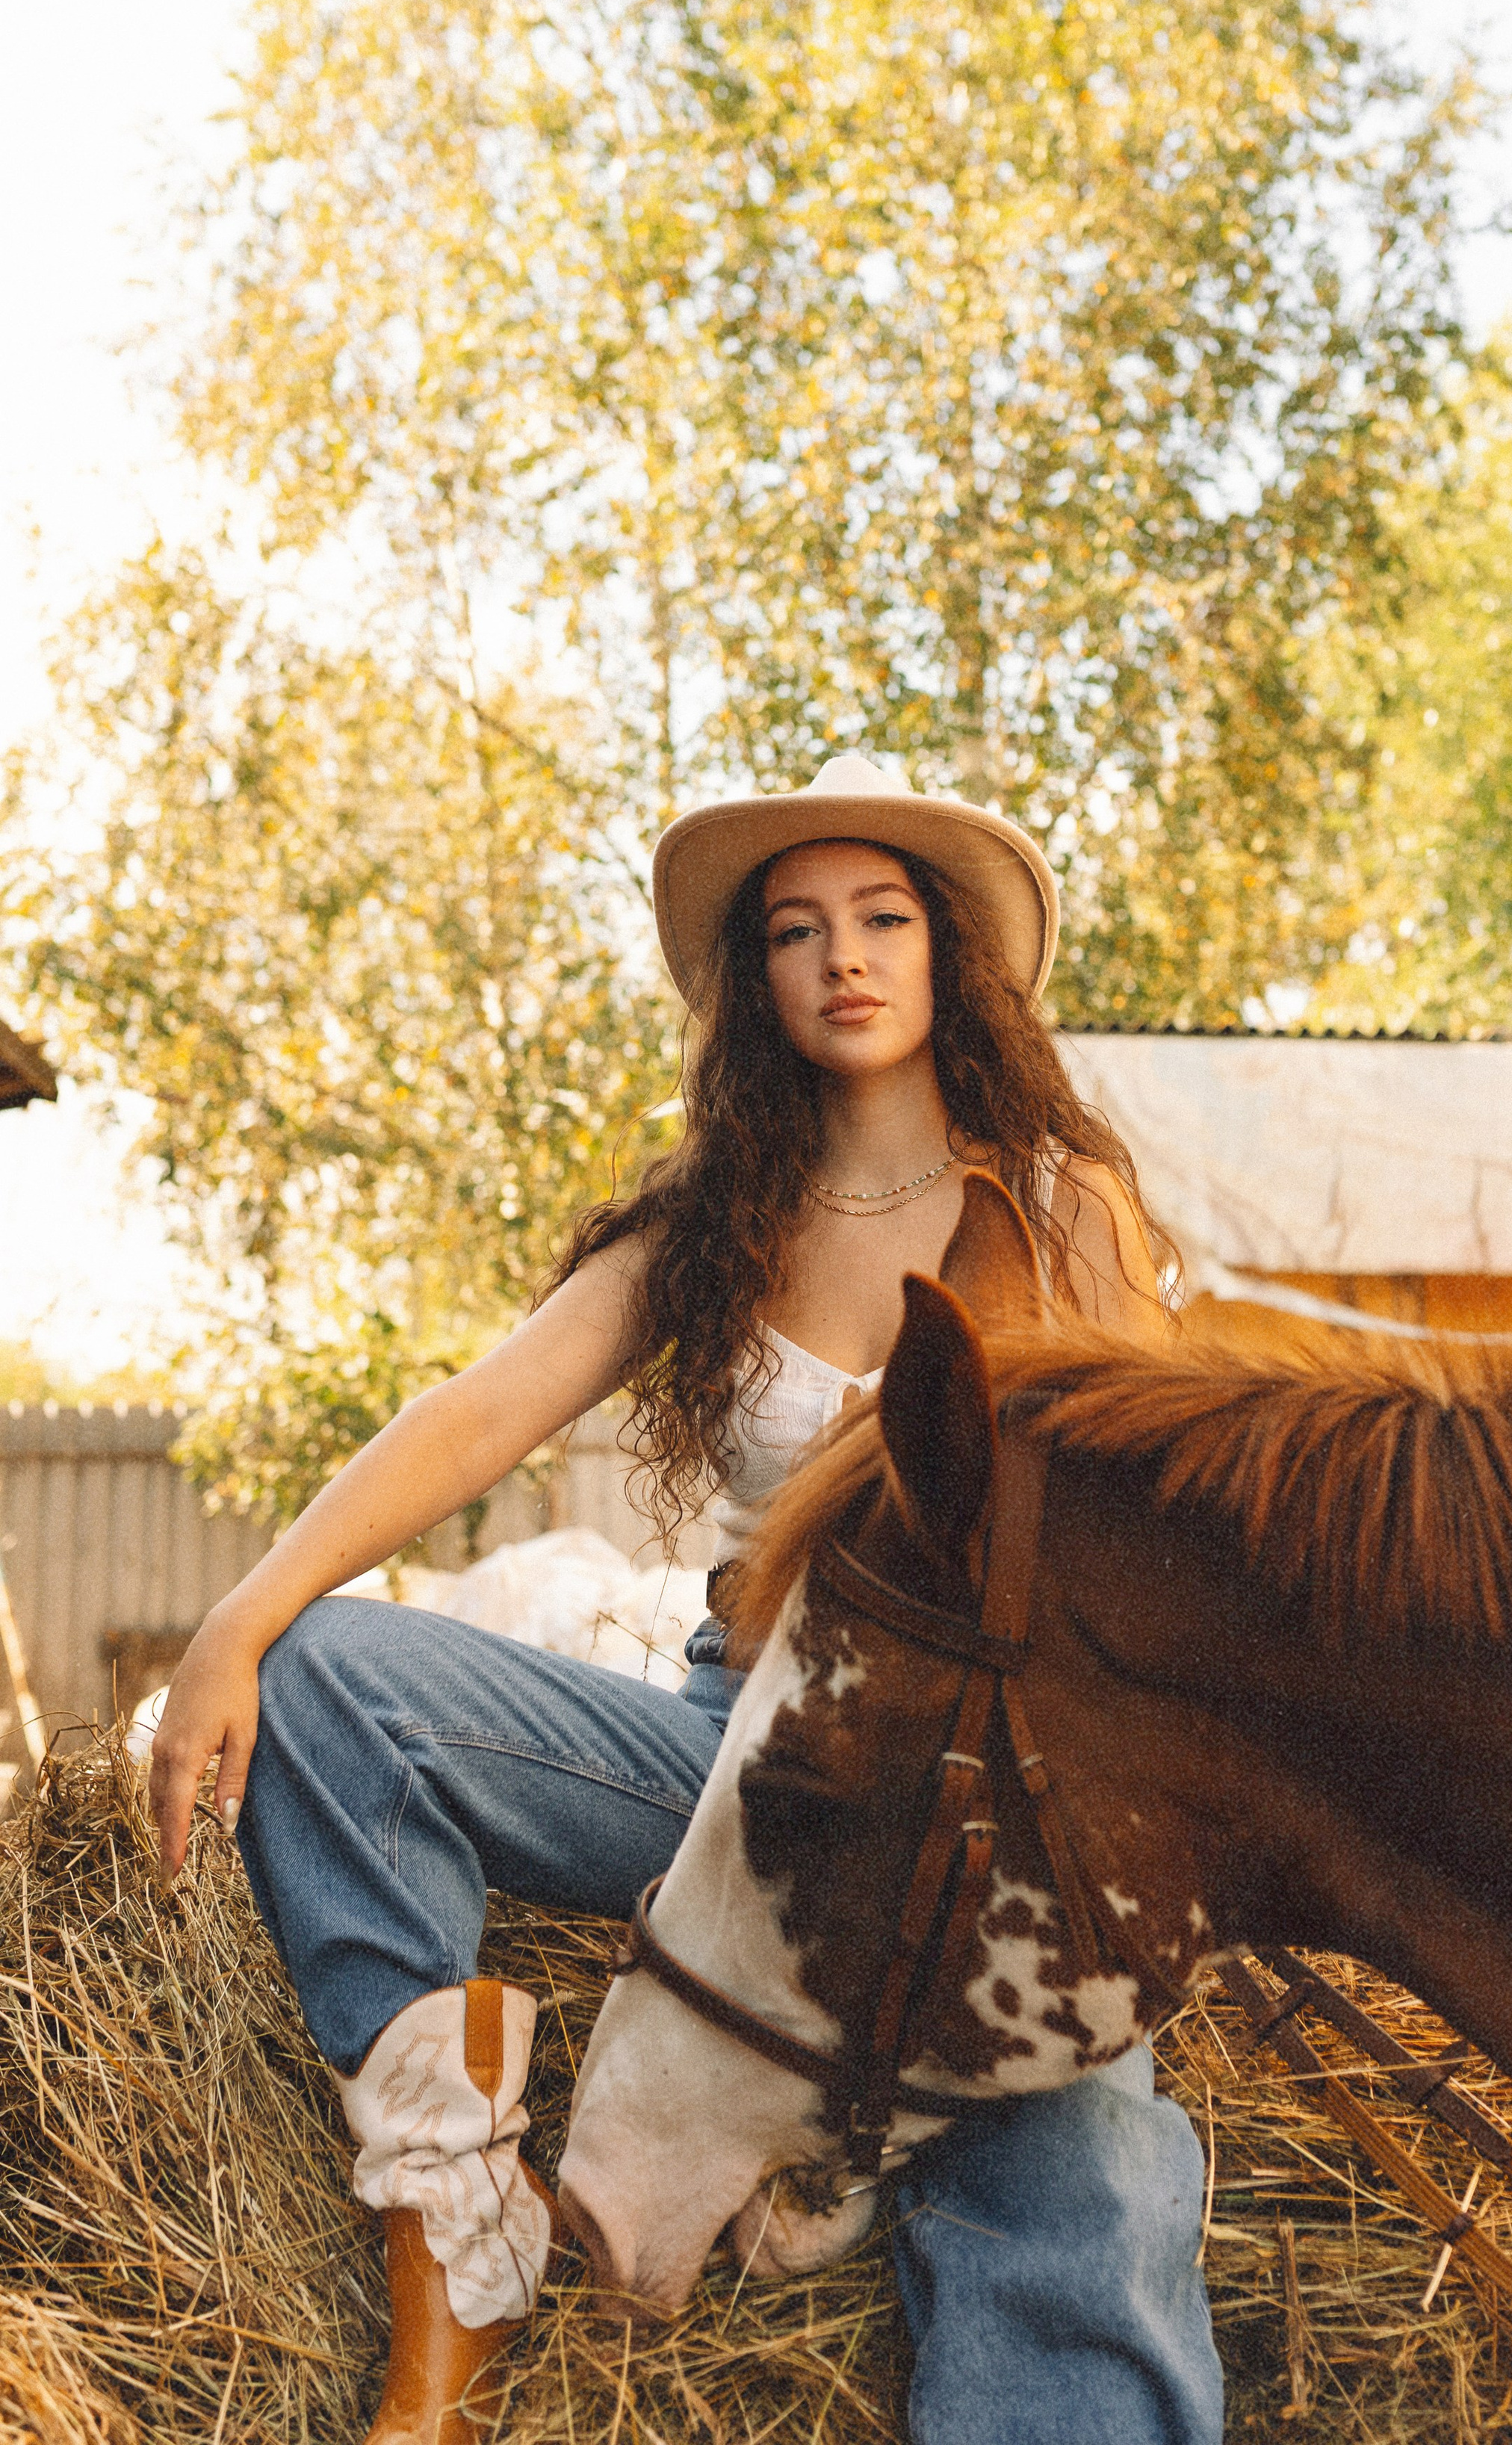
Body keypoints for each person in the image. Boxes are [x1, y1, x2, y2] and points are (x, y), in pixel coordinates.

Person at [152, 754, 1224, 2445]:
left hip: (982, 1777)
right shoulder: (711, 1223)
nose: (841, 956)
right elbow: (477, 1412)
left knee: (1074, 2137)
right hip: (738, 1747)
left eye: (880, 918)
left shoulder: (1056, 1206)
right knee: (336, 1676)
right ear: (756, 982)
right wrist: (245, 1615)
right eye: (795, 931)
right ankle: (460, 2222)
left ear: (948, 955)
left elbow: (1158, 1504)